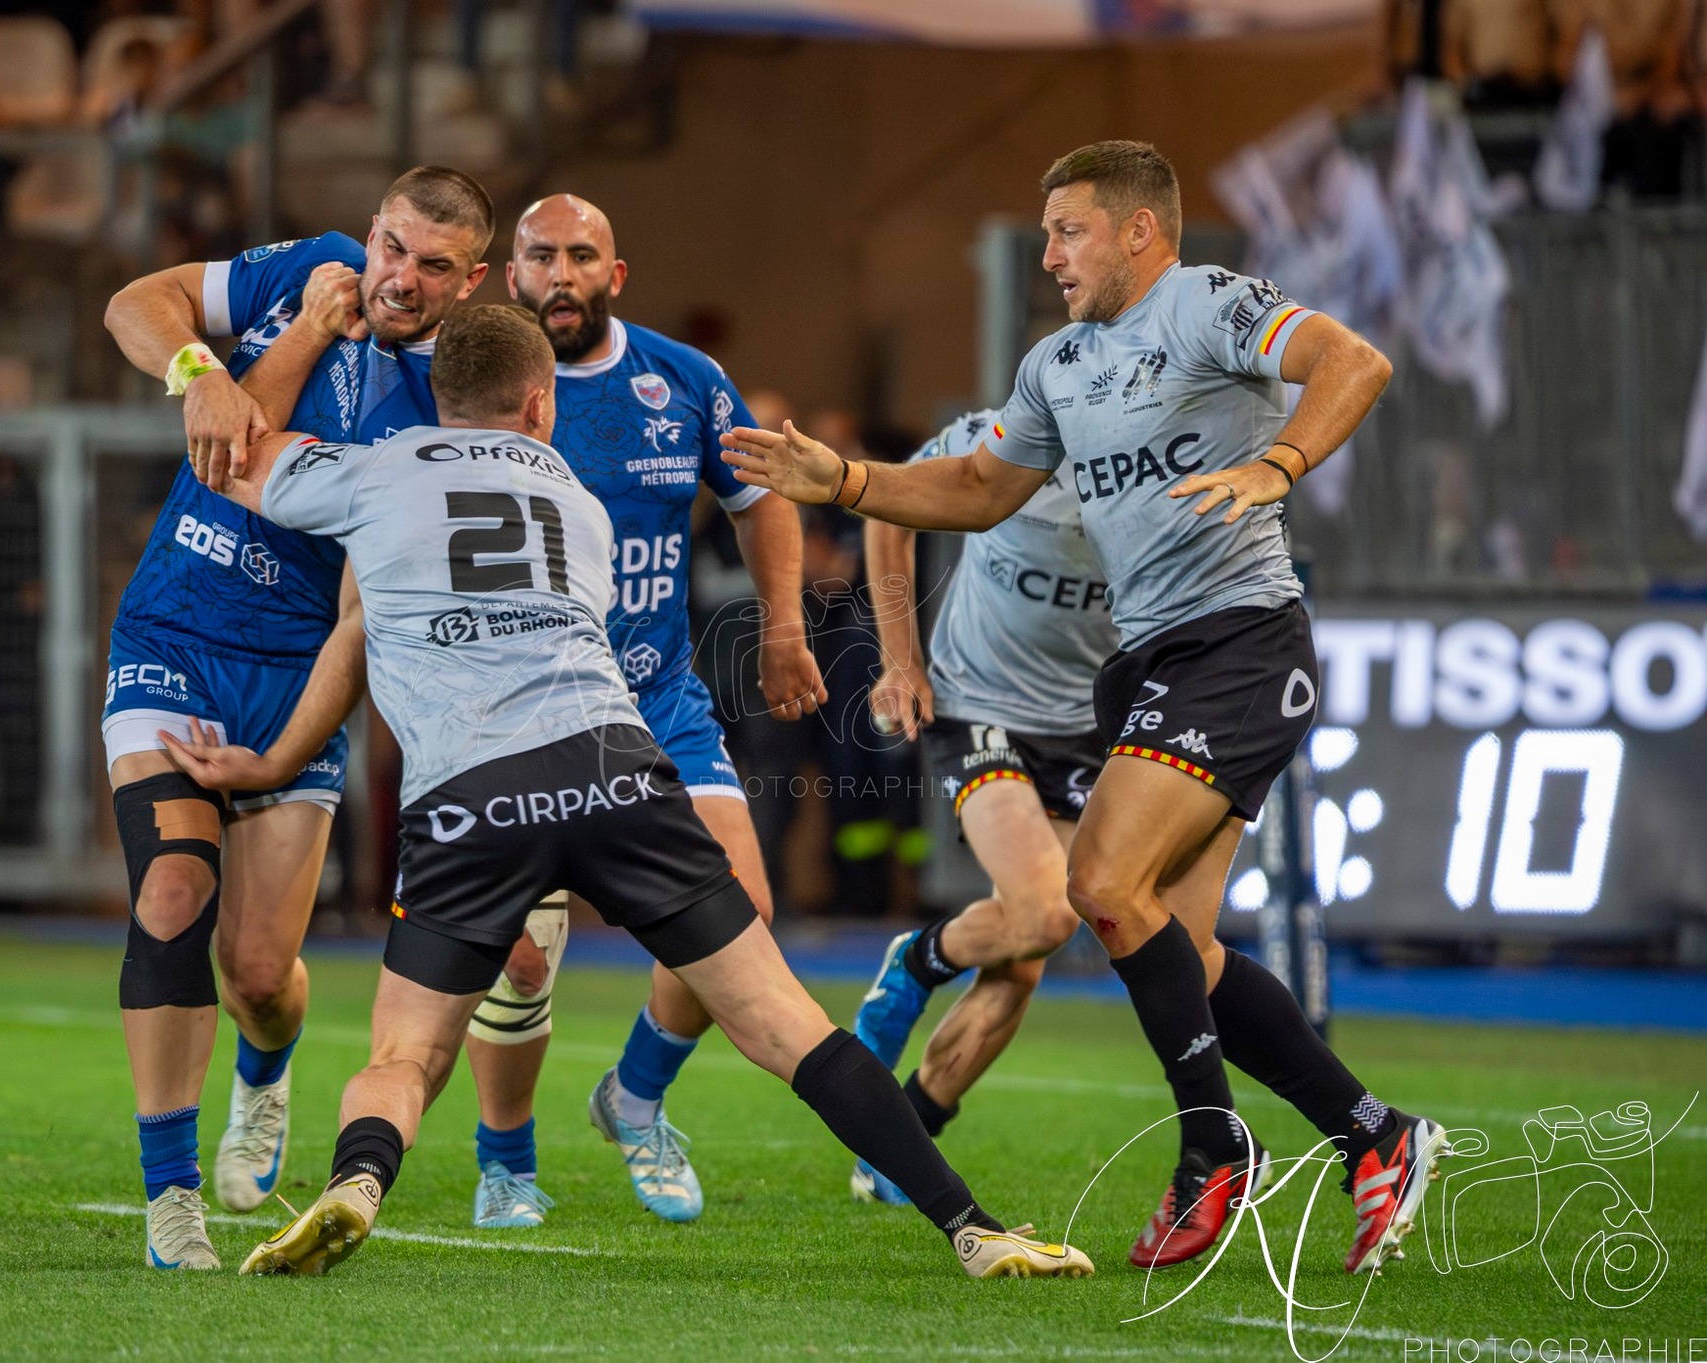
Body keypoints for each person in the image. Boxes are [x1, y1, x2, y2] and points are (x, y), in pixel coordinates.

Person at [165, 302, 1094, 1283]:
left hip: (469, 795)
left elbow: (226, 454)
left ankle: (355, 1182)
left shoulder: (370, 471)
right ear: (538, 403)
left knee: (404, 1053)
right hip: (616, 768)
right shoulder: (579, 503)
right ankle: (972, 1225)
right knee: (785, 1023)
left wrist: (244, 359)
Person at [722, 140, 1447, 1278]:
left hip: (1240, 640)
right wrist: (849, 481)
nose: (1049, 253)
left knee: (1094, 887)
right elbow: (971, 488)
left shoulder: (1206, 306)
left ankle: (1212, 1147)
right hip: (1152, 663)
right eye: (1047, 231)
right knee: (1184, 952)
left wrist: (1282, 462)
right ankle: (1378, 1137)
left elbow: (1351, 359)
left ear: (1137, 231)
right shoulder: (1058, 364)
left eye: (1066, 229)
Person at [96, 164, 492, 1270]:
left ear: (471, 283)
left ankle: (262, 1082)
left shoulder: (449, 398)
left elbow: (247, 457)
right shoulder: (296, 272)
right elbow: (137, 302)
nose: (397, 279)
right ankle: (169, 1196)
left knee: (262, 977)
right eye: (390, 247)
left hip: (299, 667)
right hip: (174, 635)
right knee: (172, 891)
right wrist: (193, 367)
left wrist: (292, 353)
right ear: (369, 230)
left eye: (430, 266)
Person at [467, 193, 822, 1227]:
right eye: (541, 256)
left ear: (614, 276)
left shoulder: (683, 380)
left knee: (739, 920)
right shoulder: (467, 383)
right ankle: (505, 1160)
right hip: (515, 706)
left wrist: (786, 632)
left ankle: (633, 1094)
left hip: (656, 694)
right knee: (523, 952)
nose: (561, 274)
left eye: (583, 257)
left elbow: (759, 497)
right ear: (509, 274)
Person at [846, 407, 1114, 1205]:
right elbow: (885, 507)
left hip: (1085, 727)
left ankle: (901, 1142)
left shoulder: (1161, 468)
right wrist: (901, 661)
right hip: (976, 704)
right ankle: (918, 961)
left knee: (1023, 960)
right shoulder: (997, 435)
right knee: (1044, 912)